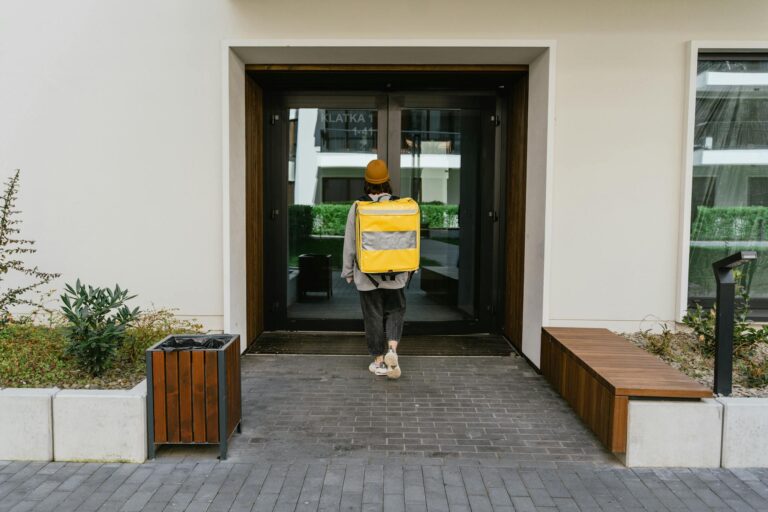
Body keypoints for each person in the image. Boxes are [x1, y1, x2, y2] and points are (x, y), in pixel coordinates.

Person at [341, 159, 409, 379]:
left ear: (367, 182)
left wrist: (348, 271)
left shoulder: (358, 206)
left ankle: (379, 362)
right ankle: (392, 349)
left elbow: (350, 242)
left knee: (373, 315)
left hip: (367, 274)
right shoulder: (400, 205)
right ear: (387, 181)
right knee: (395, 310)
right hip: (396, 272)